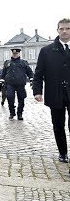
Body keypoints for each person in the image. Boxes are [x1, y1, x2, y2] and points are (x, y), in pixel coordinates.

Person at [33, 18, 70, 164]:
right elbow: (38, 73)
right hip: (55, 93)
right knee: (58, 125)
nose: (65, 31)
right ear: (57, 30)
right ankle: (62, 152)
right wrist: (37, 91)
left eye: (68, 28)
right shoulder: (46, 51)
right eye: (62, 29)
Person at [1, 47, 34, 120]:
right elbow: (4, 72)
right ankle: (12, 113)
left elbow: (29, 72)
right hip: (10, 83)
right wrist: (2, 79)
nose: (15, 55)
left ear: (19, 54)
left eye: (16, 54)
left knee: (21, 99)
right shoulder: (7, 62)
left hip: (20, 84)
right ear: (12, 54)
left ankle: (20, 114)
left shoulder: (23, 62)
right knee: (10, 97)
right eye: (13, 53)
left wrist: (31, 79)